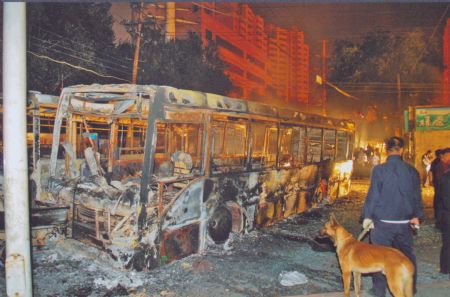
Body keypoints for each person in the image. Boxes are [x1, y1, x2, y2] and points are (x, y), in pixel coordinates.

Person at [361, 136, 423, 297]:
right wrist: (417, 215)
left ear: (386, 150)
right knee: (407, 256)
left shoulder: (379, 170)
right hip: (404, 223)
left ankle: (379, 291)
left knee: (378, 258)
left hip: (382, 224)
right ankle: (411, 288)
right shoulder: (412, 171)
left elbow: (373, 195)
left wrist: (367, 216)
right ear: (401, 150)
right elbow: (417, 196)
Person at [439, 148, 450, 277]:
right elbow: (446, 198)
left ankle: (445, 267)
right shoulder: (447, 177)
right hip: (448, 214)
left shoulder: (446, 176)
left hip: (447, 213)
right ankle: (445, 267)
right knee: (447, 242)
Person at [430, 149, 444, 228]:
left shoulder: (434, 162)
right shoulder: (440, 163)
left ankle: (438, 218)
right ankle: (439, 220)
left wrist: (431, 180)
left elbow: (431, 172)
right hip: (441, 184)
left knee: (437, 201)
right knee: (440, 202)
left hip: (437, 184)